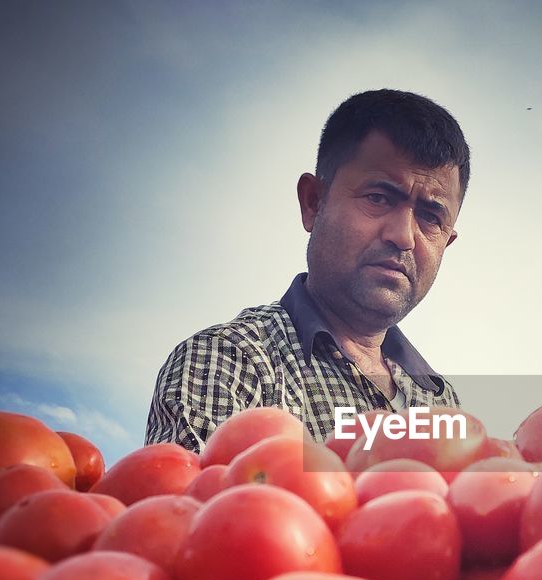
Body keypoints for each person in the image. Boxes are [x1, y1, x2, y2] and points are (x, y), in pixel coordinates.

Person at [145, 89, 469, 450]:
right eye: (378, 198)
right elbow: (192, 501)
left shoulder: (444, 405)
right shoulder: (226, 363)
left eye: (430, 216)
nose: (403, 236)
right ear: (313, 203)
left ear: (446, 242)